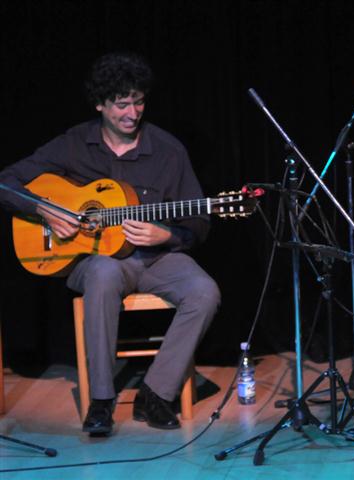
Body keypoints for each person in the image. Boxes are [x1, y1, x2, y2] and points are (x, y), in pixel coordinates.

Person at [0, 52, 221, 436]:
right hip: (99, 260)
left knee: (205, 291)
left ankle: (155, 392)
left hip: (157, 258)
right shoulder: (73, 144)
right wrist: (46, 211)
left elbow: (198, 222)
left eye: (138, 102)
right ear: (100, 104)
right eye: (122, 104)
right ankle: (101, 400)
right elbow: (6, 182)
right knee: (102, 274)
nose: (132, 113)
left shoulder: (168, 150)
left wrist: (167, 234)